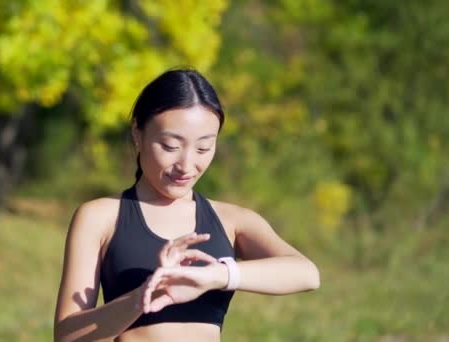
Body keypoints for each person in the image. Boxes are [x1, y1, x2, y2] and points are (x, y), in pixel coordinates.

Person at [54, 68, 320, 342]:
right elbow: (67, 336)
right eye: (170, 146)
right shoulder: (100, 217)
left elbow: (306, 274)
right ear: (137, 133)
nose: (186, 165)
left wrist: (217, 276)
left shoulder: (231, 220)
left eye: (204, 148)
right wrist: (146, 295)